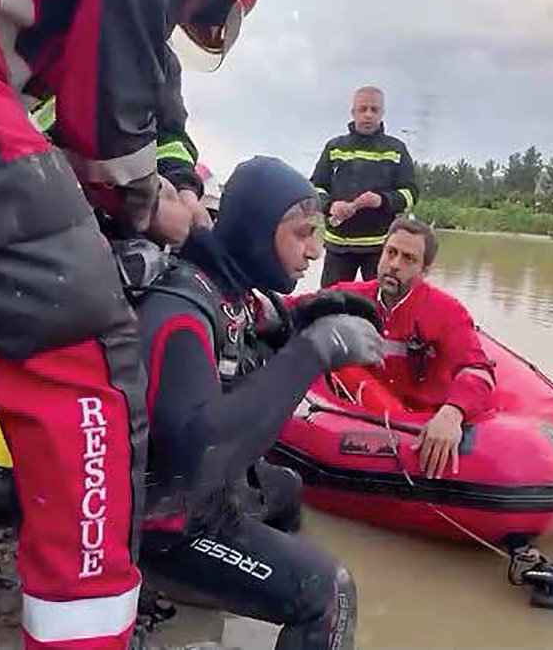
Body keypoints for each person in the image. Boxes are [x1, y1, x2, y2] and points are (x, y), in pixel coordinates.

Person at [0, 0, 265, 648]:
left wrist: (167, 184)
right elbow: (104, 123)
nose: (189, 21)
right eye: (206, 9)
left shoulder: (101, 38)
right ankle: (88, 627)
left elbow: (136, 113)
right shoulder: (128, 11)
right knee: (86, 367)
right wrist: (147, 202)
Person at [131, 156, 384, 650]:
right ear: (255, 230)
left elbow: (261, 324)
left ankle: (248, 592)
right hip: (161, 523)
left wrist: (313, 310)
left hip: (200, 500)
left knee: (285, 488)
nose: (314, 251)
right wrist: (316, 351)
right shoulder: (179, 314)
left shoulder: (228, 290)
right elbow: (202, 455)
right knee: (331, 591)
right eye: (301, 233)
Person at [324, 217, 496, 480]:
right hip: (367, 411)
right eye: (390, 253)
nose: (394, 265)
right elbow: (293, 308)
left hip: (421, 420)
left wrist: (453, 413)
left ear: (425, 270)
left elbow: (478, 370)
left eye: (408, 259)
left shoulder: (448, 312)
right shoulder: (348, 295)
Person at [311, 86, 419, 287]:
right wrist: (330, 206)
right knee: (329, 305)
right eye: (363, 109)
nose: (368, 114)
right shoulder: (334, 147)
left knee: (379, 307)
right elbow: (315, 189)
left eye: (374, 109)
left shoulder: (396, 149)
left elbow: (411, 194)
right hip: (338, 249)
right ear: (353, 113)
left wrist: (382, 200)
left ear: (382, 113)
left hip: (381, 250)